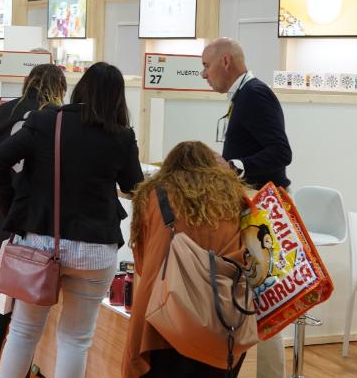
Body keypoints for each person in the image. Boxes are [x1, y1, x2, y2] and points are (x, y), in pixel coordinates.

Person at [0, 62, 144, 378]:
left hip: (41, 242)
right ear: (118, 98)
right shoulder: (122, 136)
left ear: (80, 87)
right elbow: (134, 185)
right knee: (76, 339)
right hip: (96, 250)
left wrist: (13, 210)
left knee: (23, 330)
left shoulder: (47, 121)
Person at [201, 37, 292, 378]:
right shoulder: (244, 95)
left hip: (262, 209)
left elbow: (281, 152)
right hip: (251, 206)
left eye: (206, 66)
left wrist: (235, 166)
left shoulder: (255, 95)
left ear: (225, 62)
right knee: (253, 295)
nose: (203, 74)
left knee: (266, 299)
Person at [124, 141, 249, 378]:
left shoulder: (152, 195)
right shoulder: (234, 198)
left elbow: (141, 263)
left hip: (163, 315)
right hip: (220, 316)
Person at [0, 63, 67, 378]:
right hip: (37, 214)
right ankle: (23, 365)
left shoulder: (4, 110)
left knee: (1, 288)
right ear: (59, 88)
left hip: (5, 211)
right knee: (30, 297)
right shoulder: (56, 116)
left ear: (28, 81)